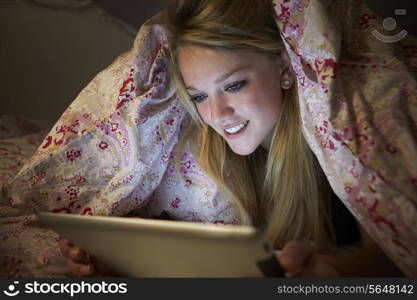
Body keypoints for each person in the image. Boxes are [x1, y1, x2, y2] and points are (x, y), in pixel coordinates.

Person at [2, 0, 416, 277]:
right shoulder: (209, 151)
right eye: (199, 96)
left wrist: (331, 273)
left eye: (234, 85)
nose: (217, 115)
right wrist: (121, 258)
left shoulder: (342, 145)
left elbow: (394, 248)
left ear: (285, 68)